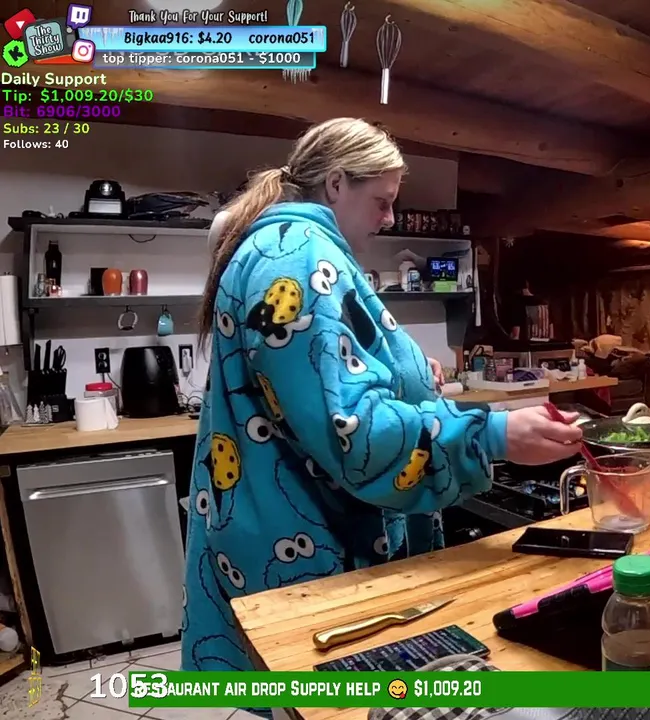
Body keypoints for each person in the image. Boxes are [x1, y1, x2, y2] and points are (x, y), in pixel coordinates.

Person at [181, 118, 584, 685]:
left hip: (289, 523)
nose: (390, 218)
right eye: (382, 201)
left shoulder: (293, 246)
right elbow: (350, 429)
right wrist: (490, 434)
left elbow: (322, 375)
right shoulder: (296, 256)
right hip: (312, 541)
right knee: (332, 705)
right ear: (336, 184)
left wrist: (407, 374)